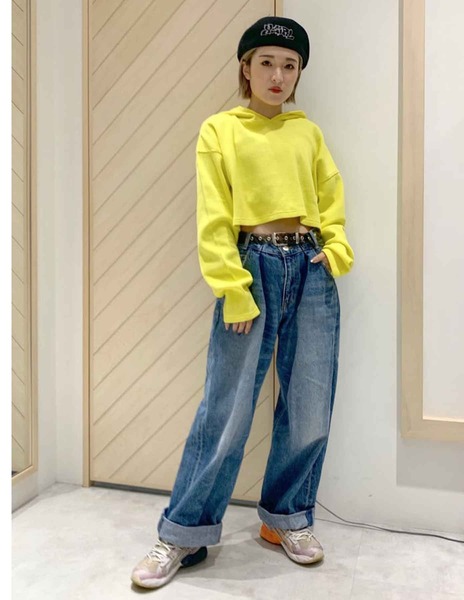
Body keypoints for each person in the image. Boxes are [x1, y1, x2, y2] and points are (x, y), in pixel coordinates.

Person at [131, 15, 354, 589]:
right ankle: (184, 533)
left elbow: (330, 194)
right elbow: (213, 215)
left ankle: (287, 520)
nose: (278, 75)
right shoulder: (220, 130)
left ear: (299, 73)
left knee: (309, 405)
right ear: (245, 68)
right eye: (266, 63)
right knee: (226, 410)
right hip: (251, 267)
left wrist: (335, 248)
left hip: (310, 267)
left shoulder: (307, 133)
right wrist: (232, 287)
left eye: (290, 65)